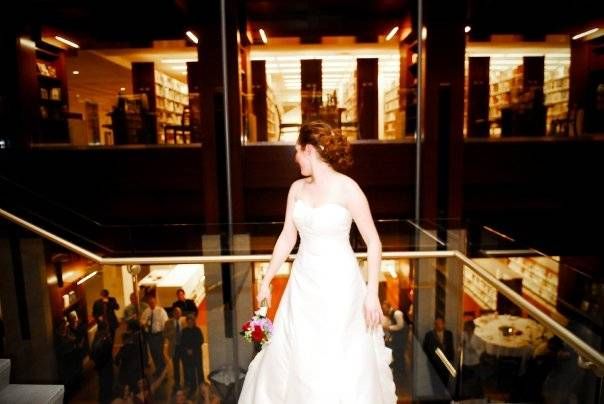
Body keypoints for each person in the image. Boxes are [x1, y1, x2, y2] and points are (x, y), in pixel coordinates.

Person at [238, 121, 396, 403]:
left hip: (340, 285)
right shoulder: (296, 189)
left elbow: (374, 242)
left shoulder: (349, 189)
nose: (296, 158)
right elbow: (287, 237)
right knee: (300, 351)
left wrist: (372, 293)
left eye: (297, 152)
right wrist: (266, 277)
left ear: (308, 150)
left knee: (337, 354)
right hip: (303, 282)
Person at [423, 317, 455, 395]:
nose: (438, 325)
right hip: (434, 364)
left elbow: (451, 347)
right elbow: (425, 347)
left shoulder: (449, 334)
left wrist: (451, 359)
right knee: (435, 383)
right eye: (436, 323)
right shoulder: (429, 335)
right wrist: (432, 357)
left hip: (446, 363)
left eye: (440, 323)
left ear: (444, 324)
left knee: (445, 382)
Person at [140, 297, 168, 378]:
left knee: (159, 353)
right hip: (150, 335)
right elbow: (142, 320)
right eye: (150, 302)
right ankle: (158, 369)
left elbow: (165, 323)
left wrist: (165, 336)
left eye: (152, 302)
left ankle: (163, 372)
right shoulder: (146, 311)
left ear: (155, 302)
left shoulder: (161, 311)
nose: (151, 304)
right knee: (153, 353)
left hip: (159, 335)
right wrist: (144, 323)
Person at [458, 319, 484, 399]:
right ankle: (466, 396)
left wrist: (475, 350)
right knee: (466, 380)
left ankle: (475, 396)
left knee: (474, 381)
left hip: (475, 362)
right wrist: (461, 346)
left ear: (471, 327)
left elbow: (482, 348)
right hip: (465, 361)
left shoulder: (478, 336)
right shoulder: (463, 334)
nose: (465, 328)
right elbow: (460, 346)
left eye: (466, 326)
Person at [90, 321, 115, 404]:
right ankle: (106, 399)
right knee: (107, 381)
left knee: (102, 382)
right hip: (106, 363)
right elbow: (107, 350)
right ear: (105, 327)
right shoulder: (105, 336)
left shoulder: (97, 335)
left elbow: (93, 351)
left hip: (100, 364)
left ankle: (102, 398)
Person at [181, 314, 204, 395]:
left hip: (196, 353)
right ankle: (193, 387)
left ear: (194, 321)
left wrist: (192, 349)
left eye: (191, 321)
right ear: (187, 322)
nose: (190, 322)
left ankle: (202, 387)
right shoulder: (184, 331)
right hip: (188, 354)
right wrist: (187, 349)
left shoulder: (197, 330)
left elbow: (201, 340)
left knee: (199, 370)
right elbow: (182, 342)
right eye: (188, 321)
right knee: (191, 371)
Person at [381, 301, 406, 377]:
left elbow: (400, 326)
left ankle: (401, 372)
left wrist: (388, 327)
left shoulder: (397, 313)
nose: (383, 310)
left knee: (399, 354)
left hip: (401, 337)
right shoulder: (390, 315)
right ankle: (398, 372)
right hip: (396, 337)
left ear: (388, 307)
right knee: (396, 354)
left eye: (384, 308)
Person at [165, 307, 187, 391]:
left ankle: (186, 381)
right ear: (173, 313)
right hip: (174, 347)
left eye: (179, 312)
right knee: (176, 366)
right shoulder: (168, 322)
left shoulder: (185, 321)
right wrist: (172, 332)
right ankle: (177, 383)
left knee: (185, 365)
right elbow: (164, 334)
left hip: (183, 347)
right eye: (176, 312)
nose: (178, 314)